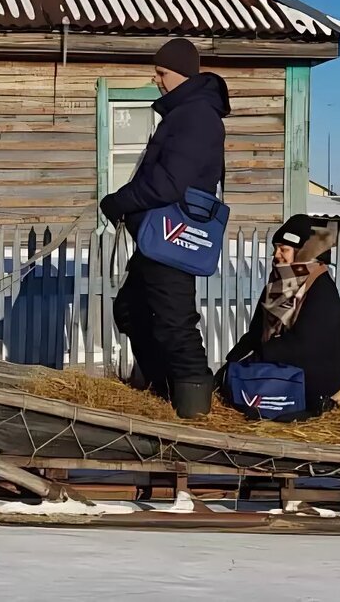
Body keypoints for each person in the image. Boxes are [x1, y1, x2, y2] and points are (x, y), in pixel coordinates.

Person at [99, 38, 229, 419]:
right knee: (131, 309)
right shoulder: (185, 113)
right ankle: (164, 392)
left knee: (175, 323)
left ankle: (194, 413)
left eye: (161, 73)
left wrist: (120, 201)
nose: (156, 80)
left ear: (182, 74)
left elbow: (170, 183)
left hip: (173, 236)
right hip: (158, 237)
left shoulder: (196, 116)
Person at [218, 214, 340, 418]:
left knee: (257, 406)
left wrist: (260, 356)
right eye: (275, 248)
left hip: (318, 370)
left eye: (284, 249)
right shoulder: (277, 285)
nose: (276, 255)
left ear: (301, 253)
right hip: (281, 359)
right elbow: (257, 331)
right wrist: (233, 361)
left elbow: (308, 344)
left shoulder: (320, 288)